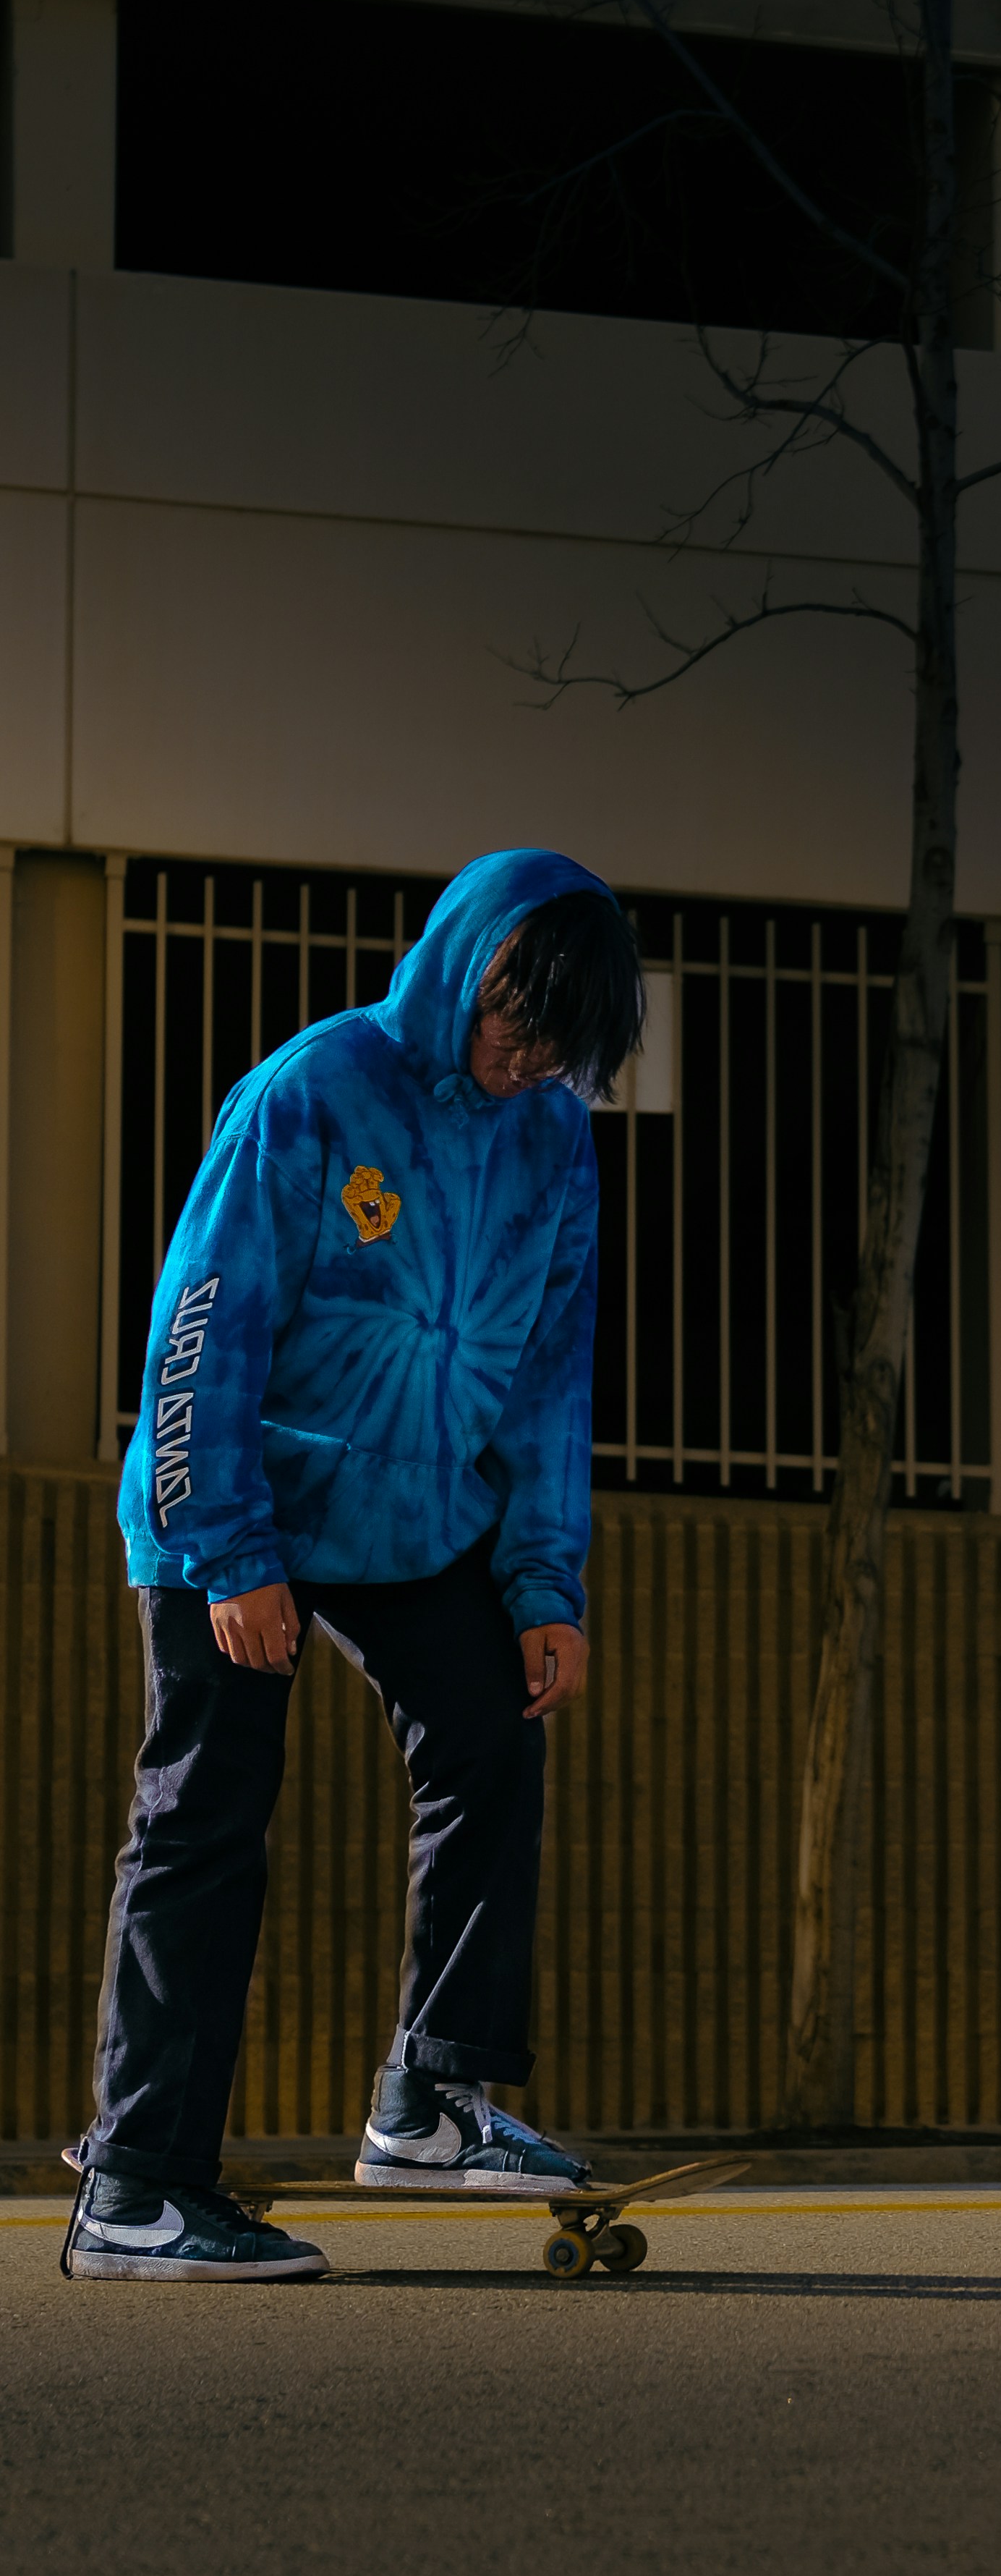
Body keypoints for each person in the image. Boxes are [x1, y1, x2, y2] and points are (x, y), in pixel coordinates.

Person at [64, 847, 642, 2282]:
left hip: (410, 1508)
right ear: (467, 970)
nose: (523, 1063)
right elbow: (204, 1326)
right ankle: (137, 2185)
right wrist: (226, 1550)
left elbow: (547, 1382)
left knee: (491, 1731)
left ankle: (434, 2096)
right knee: (209, 1808)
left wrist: (544, 1582)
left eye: (558, 1046)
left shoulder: (553, 1145)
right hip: (242, 1487)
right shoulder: (316, 1092)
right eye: (515, 1023)